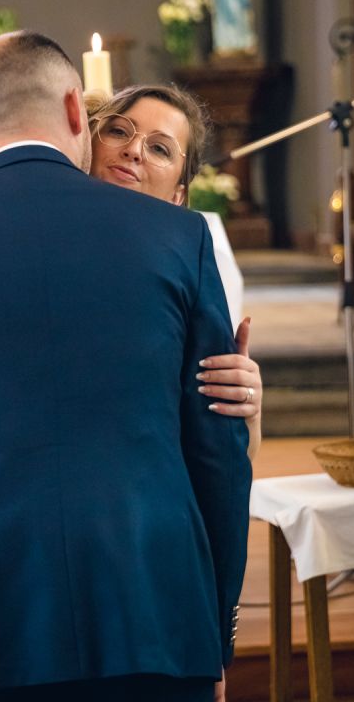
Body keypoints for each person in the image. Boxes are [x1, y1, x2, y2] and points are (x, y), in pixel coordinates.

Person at [0, 32, 252, 702]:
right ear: (74, 109)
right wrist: (214, 630)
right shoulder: (182, 238)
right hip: (154, 611)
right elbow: (219, 457)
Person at [88, 84, 262, 459]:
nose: (134, 150)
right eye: (118, 130)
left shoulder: (189, 267)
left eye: (159, 149)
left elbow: (226, 453)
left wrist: (248, 411)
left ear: (178, 195)